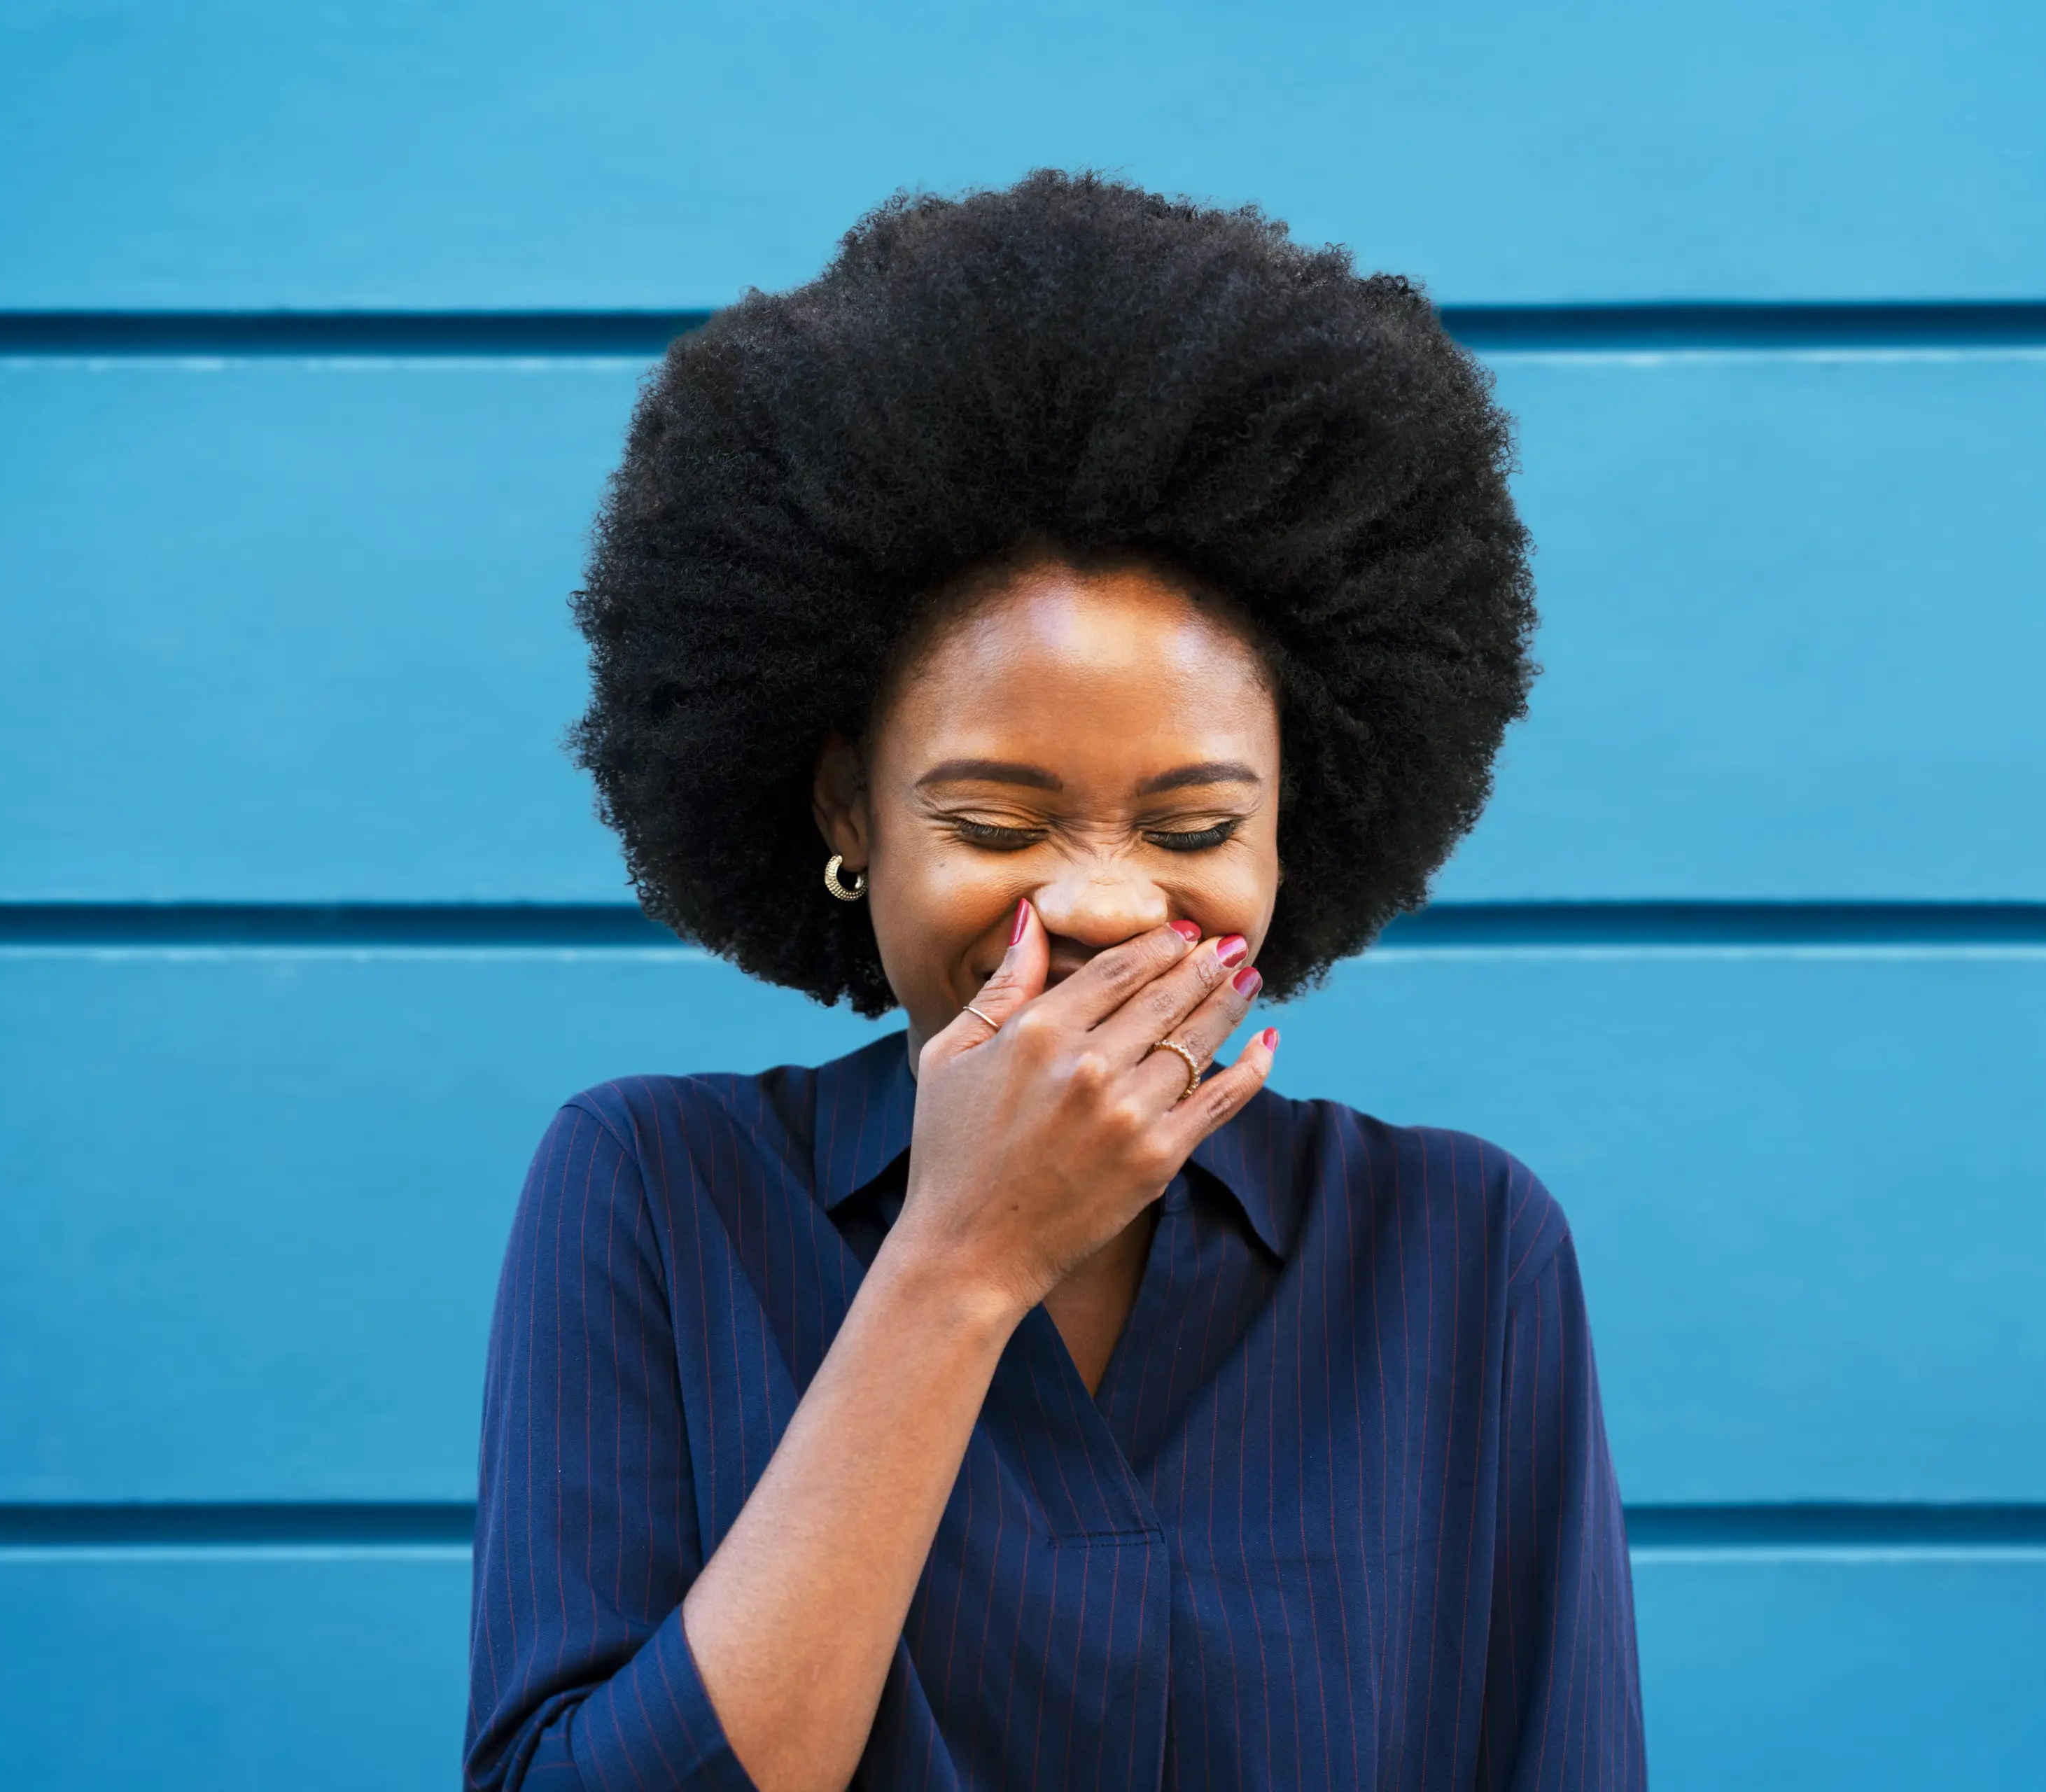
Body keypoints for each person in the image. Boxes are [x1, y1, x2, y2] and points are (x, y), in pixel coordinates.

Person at [465, 171, 1644, 1791]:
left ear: (1301, 825)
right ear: (845, 811)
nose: (1101, 901)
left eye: (1195, 823)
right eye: (999, 819)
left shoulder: (1464, 1251)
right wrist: (957, 1259)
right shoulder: (653, 1194)